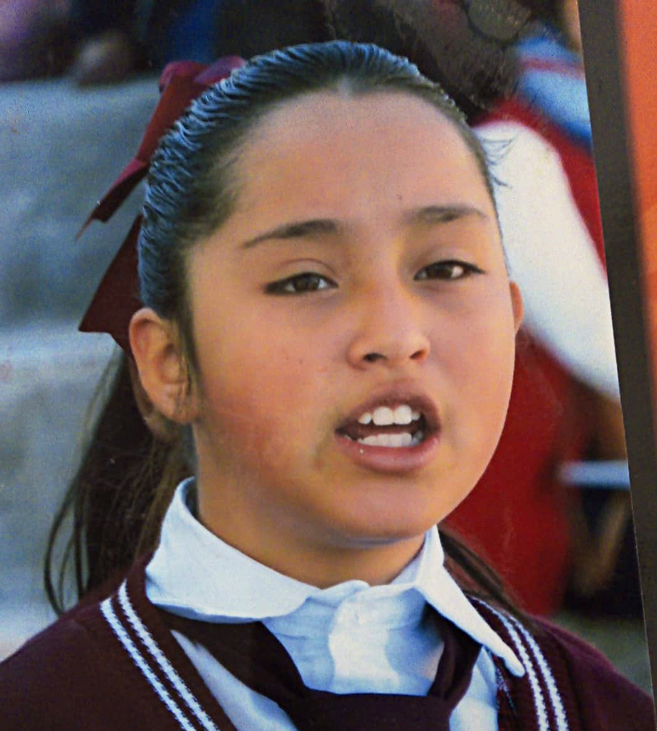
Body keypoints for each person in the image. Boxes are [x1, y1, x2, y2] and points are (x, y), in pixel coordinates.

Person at [2, 42, 652, 730]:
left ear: (512, 317)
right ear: (170, 363)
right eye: (306, 280)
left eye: (445, 269)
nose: (396, 334)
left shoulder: (596, 709)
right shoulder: (47, 708)